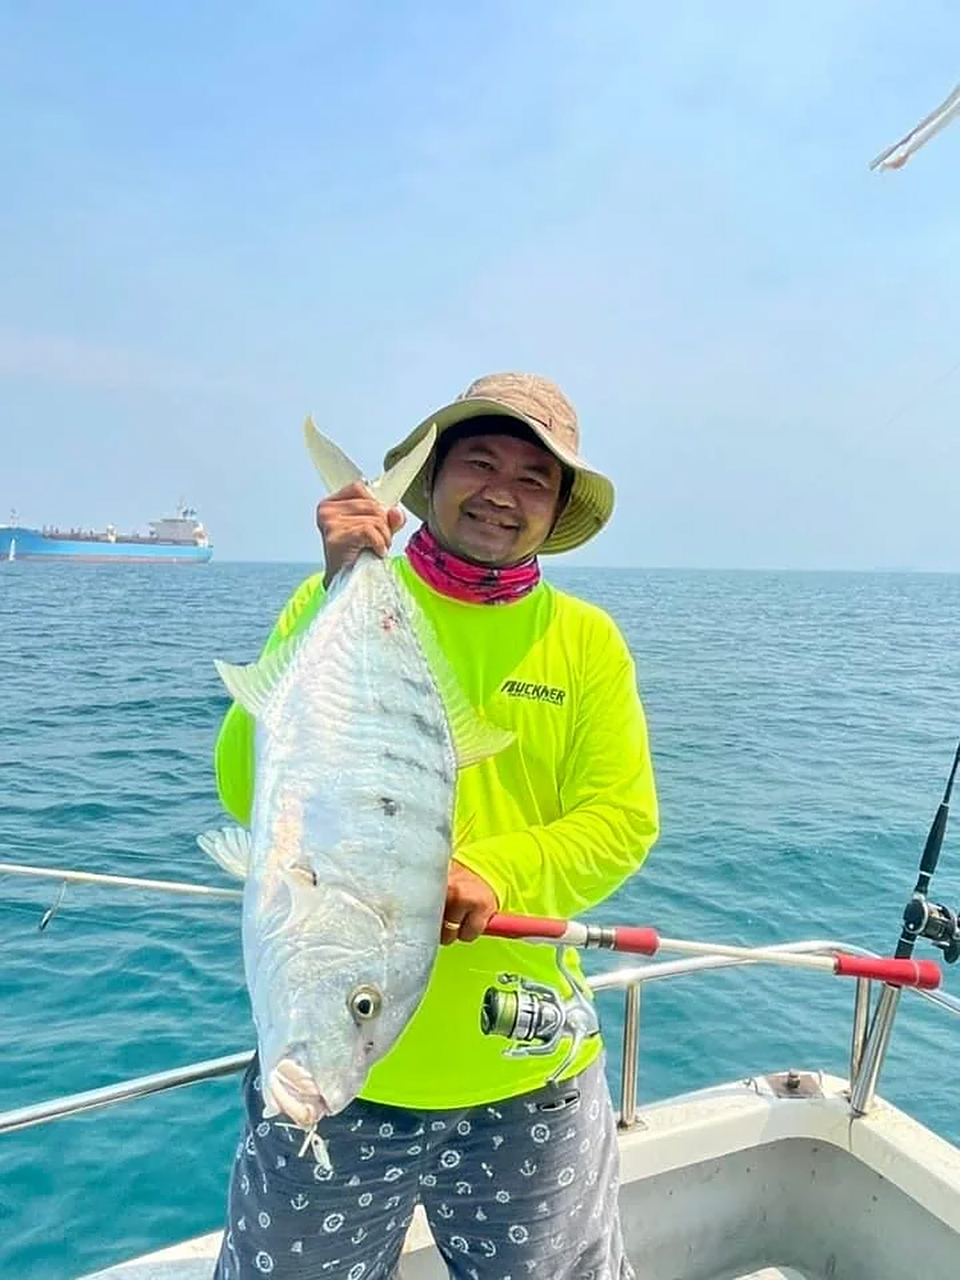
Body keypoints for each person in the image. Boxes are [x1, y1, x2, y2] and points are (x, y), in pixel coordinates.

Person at [212, 372, 659, 1279]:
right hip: (339, 1082)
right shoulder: (328, 602)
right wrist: (338, 585)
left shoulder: (585, 642)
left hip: (527, 1079)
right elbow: (239, 787)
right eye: (479, 462)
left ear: (558, 508)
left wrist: (494, 873)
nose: (502, 492)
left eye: (534, 478)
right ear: (432, 481)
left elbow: (623, 821)